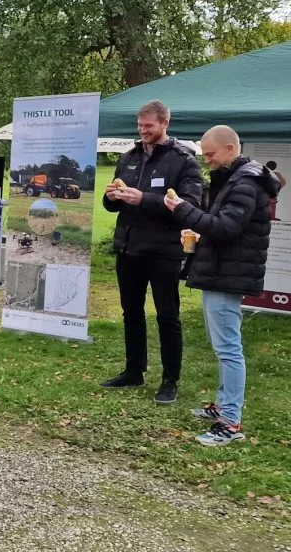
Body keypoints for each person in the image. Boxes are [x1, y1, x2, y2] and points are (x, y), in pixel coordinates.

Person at [164, 126, 280, 445]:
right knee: (222, 346)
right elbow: (226, 228)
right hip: (221, 268)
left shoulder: (246, 182)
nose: (207, 161)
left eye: (211, 155)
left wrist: (182, 211)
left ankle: (230, 422)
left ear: (230, 148)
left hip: (229, 274)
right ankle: (222, 407)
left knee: (229, 349)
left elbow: (226, 227)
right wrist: (200, 234)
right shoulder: (234, 179)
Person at [103, 100, 203, 404]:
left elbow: (191, 206)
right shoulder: (129, 157)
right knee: (131, 312)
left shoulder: (183, 160)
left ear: (165, 124)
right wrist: (112, 197)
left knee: (167, 316)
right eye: (140, 125)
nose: (143, 131)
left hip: (163, 251)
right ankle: (134, 371)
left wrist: (143, 199)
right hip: (128, 247)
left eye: (149, 126)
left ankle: (170, 380)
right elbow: (113, 205)